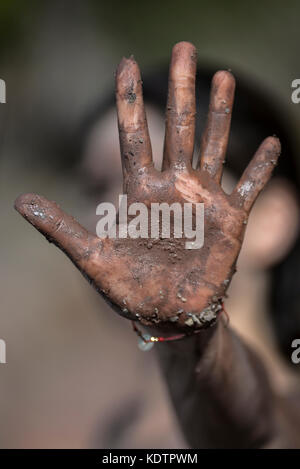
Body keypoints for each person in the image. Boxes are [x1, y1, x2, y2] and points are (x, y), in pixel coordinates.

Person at [14, 42, 300, 448]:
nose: (120, 209)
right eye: (96, 186)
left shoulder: (286, 415)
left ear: (273, 222)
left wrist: (189, 332)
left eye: (167, 183)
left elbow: (256, 426)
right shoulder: (116, 432)